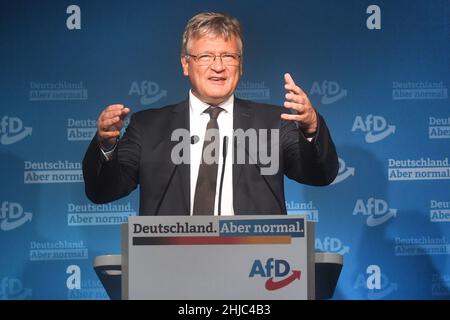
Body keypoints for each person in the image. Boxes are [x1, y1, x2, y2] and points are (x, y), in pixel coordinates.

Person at [82, 12, 338, 216]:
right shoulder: (148, 126)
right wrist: (106, 146)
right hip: (170, 264)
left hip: (256, 266)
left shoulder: (273, 123)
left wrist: (312, 128)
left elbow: (320, 175)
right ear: (186, 64)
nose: (218, 66)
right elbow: (103, 191)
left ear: (241, 65)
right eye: (205, 56)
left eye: (228, 56)